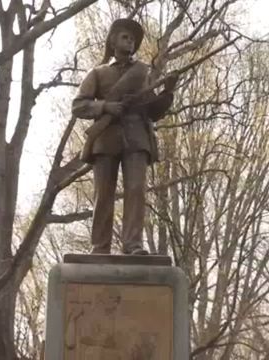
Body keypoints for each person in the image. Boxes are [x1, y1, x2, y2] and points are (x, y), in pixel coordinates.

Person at [72, 18, 177, 255]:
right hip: (106, 138)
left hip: (137, 137)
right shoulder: (97, 73)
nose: (130, 42)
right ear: (113, 40)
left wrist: (168, 91)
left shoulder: (143, 73)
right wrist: (105, 108)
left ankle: (133, 245)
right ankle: (100, 247)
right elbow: (78, 106)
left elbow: (154, 111)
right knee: (104, 194)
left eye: (133, 39)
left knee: (137, 190)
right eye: (125, 37)